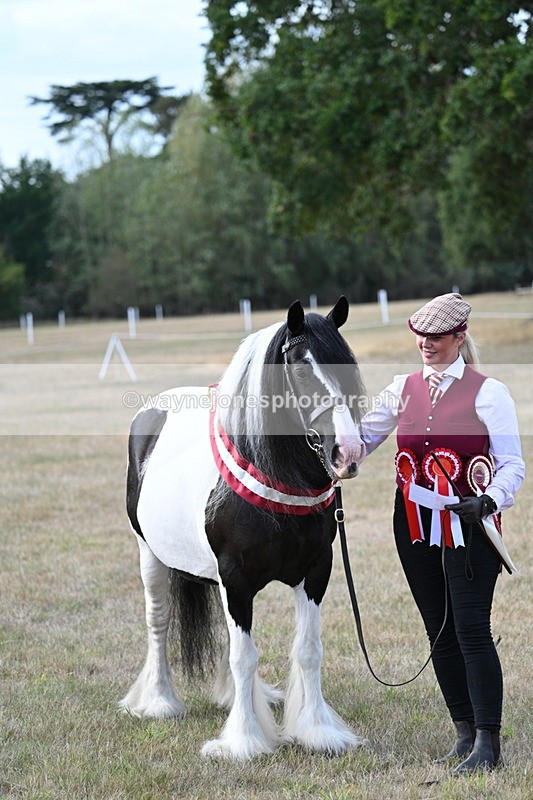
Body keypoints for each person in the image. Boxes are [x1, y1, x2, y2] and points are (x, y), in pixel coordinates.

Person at [358, 292, 525, 774]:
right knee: (439, 630)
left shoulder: (489, 392)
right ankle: (464, 733)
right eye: (420, 336)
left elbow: (512, 464)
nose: (425, 344)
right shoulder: (400, 387)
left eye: (435, 336)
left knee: (472, 627)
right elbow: (361, 441)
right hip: (411, 523)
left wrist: (488, 501)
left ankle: (489, 744)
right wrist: (326, 443)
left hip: (470, 521)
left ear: (459, 336)